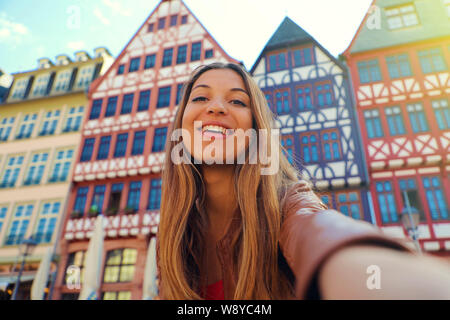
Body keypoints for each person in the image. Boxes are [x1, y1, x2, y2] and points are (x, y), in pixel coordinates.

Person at [156, 62, 450, 300]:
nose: (217, 107)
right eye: (200, 97)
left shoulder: (287, 205)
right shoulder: (175, 232)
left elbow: (321, 233)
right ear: (181, 123)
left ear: (257, 129)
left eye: (236, 100)